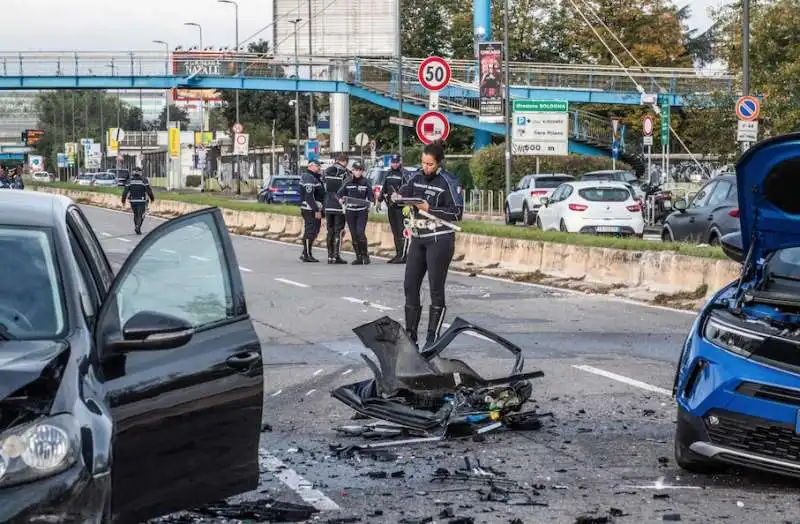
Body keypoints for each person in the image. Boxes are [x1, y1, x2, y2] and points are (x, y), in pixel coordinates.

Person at [392, 142, 461, 349]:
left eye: (430, 164)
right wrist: (397, 198)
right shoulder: (416, 177)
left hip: (439, 238)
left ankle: (432, 338)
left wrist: (429, 208)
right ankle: (411, 335)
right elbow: (402, 193)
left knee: (435, 288)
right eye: (423, 163)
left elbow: (457, 212)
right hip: (418, 237)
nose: (426, 167)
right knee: (410, 285)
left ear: (439, 163)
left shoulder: (448, 181)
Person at [338, 161, 373, 265]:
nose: (357, 172)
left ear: (362, 171)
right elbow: (339, 194)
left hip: (362, 211)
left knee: (360, 232)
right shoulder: (347, 181)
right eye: (355, 170)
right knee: (354, 234)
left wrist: (370, 203)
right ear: (352, 171)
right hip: (350, 211)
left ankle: (365, 255)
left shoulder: (366, 182)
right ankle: (358, 256)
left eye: (360, 170)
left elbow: (370, 196)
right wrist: (341, 200)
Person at [379, 153, 410, 264]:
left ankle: (403, 255)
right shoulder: (388, 173)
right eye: (393, 162)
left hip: (401, 207)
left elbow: (409, 188)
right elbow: (384, 188)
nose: (395, 164)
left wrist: (407, 202)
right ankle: (398, 254)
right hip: (391, 206)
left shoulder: (404, 174)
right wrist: (379, 200)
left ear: (400, 162)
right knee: (395, 231)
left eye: (397, 162)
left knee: (402, 231)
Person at [323, 152, 350, 264]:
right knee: (338, 231)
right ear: (344, 162)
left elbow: (323, 187)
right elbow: (348, 189)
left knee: (330, 230)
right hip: (339, 206)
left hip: (328, 205)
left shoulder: (326, 171)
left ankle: (329, 256)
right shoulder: (345, 173)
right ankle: (336, 256)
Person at [299, 159, 326, 262]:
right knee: (310, 231)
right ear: (310, 166)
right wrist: (316, 210)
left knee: (315, 231)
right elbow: (309, 196)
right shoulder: (308, 177)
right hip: (309, 208)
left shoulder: (316, 177)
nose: (319, 167)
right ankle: (307, 255)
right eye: (317, 165)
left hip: (315, 208)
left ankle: (305, 252)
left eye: (319, 165)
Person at [121, 167, 155, 235]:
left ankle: (136, 226)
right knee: (141, 215)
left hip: (132, 200)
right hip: (141, 200)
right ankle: (138, 227)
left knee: (136, 214)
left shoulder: (129, 180)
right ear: (140, 172)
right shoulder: (144, 180)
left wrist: (123, 200)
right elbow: (149, 190)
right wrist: (152, 198)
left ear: (132, 172)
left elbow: (125, 191)